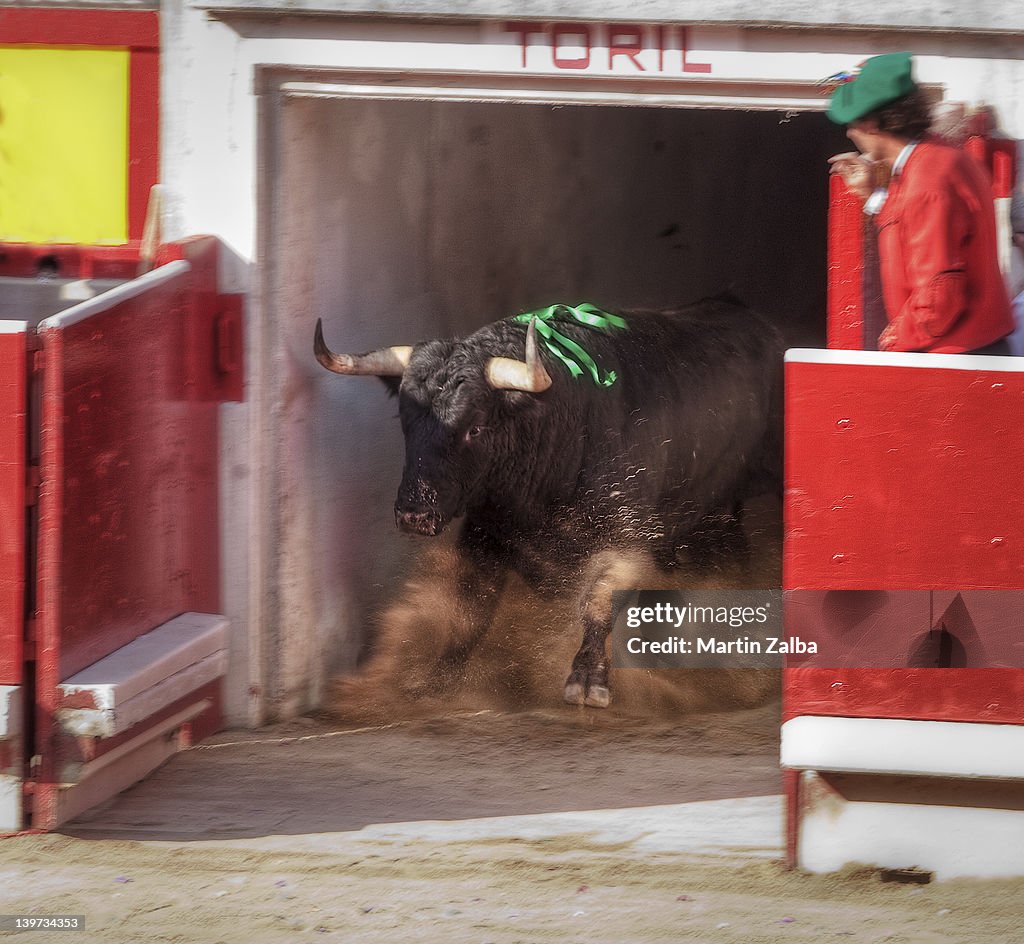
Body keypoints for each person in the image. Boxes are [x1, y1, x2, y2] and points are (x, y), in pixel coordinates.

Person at [826, 52, 1014, 354]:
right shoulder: (936, 156)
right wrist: (873, 195)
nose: (849, 133)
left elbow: (939, 298)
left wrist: (894, 340)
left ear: (873, 122)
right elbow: (915, 228)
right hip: (970, 349)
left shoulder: (927, 178)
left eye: (853, 123)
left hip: (956, 359)